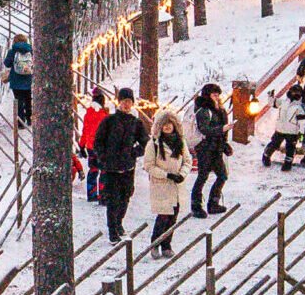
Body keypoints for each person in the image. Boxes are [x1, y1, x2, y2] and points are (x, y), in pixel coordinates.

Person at [91, 88, 149, 244]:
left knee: (125, 197)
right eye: (124, 101)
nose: (126, 104)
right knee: (113, 200)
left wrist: (134, 152)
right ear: (119, 102)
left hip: (127, 167)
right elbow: (98, 141)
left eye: (129, 102)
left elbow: (145, 142)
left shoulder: (136, 123)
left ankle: (119, 223)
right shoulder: (109, 121)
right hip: (111, 168)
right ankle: (112, 230)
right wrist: (103, 158)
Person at [145, 106, 190, 255]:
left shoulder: (180, 142)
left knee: (173, 217)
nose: (167, 126)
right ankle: (155, 244)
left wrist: (182, 174)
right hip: (161, 185)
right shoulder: (154, 144)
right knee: (163, 216)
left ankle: (167, 245)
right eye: (164, 124)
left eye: (170, 123)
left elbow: (187, 161)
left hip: (176, 185)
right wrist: (166, 175)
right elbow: (149, 166)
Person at [190, 82, 229, 216]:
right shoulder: (204, 110)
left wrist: (224, 144)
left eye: (218, 95)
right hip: (205, 147)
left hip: (216, 147)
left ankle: (213, 203)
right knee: (203, 176)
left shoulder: (219, 110)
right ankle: (196, 206)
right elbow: (204, 129)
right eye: (214, 95)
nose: (217, 97)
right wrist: (221, 129)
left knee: (222, 176)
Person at [268, 80, 305, 170]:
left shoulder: (299, 108)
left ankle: (288, 163)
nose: (294, 94)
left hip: (292, 132)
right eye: (293, 92)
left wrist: (301, 134)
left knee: (290, 148)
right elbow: (272, 103)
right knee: (274, 144)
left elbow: (302, 122)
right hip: (280, 129)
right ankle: (266, 155)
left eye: (297, 93)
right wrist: (270, 96)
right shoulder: (283, 102)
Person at [80, 87, 109, 202]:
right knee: (104, 171)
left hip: (90, 147)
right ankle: (103, 195)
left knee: (93, 170)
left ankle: (91, 194)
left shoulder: (88, 114)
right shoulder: (104, 115)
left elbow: (85, 131)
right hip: (102, 148)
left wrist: (82, 145)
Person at [3, 33, 34, 128]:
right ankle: (30, 119)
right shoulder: (30, 50)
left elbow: (7, 64)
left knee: (19, 101)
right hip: (28, 79)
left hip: (16, 80)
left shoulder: (12, 51)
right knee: (28, 99)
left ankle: (21, 122)